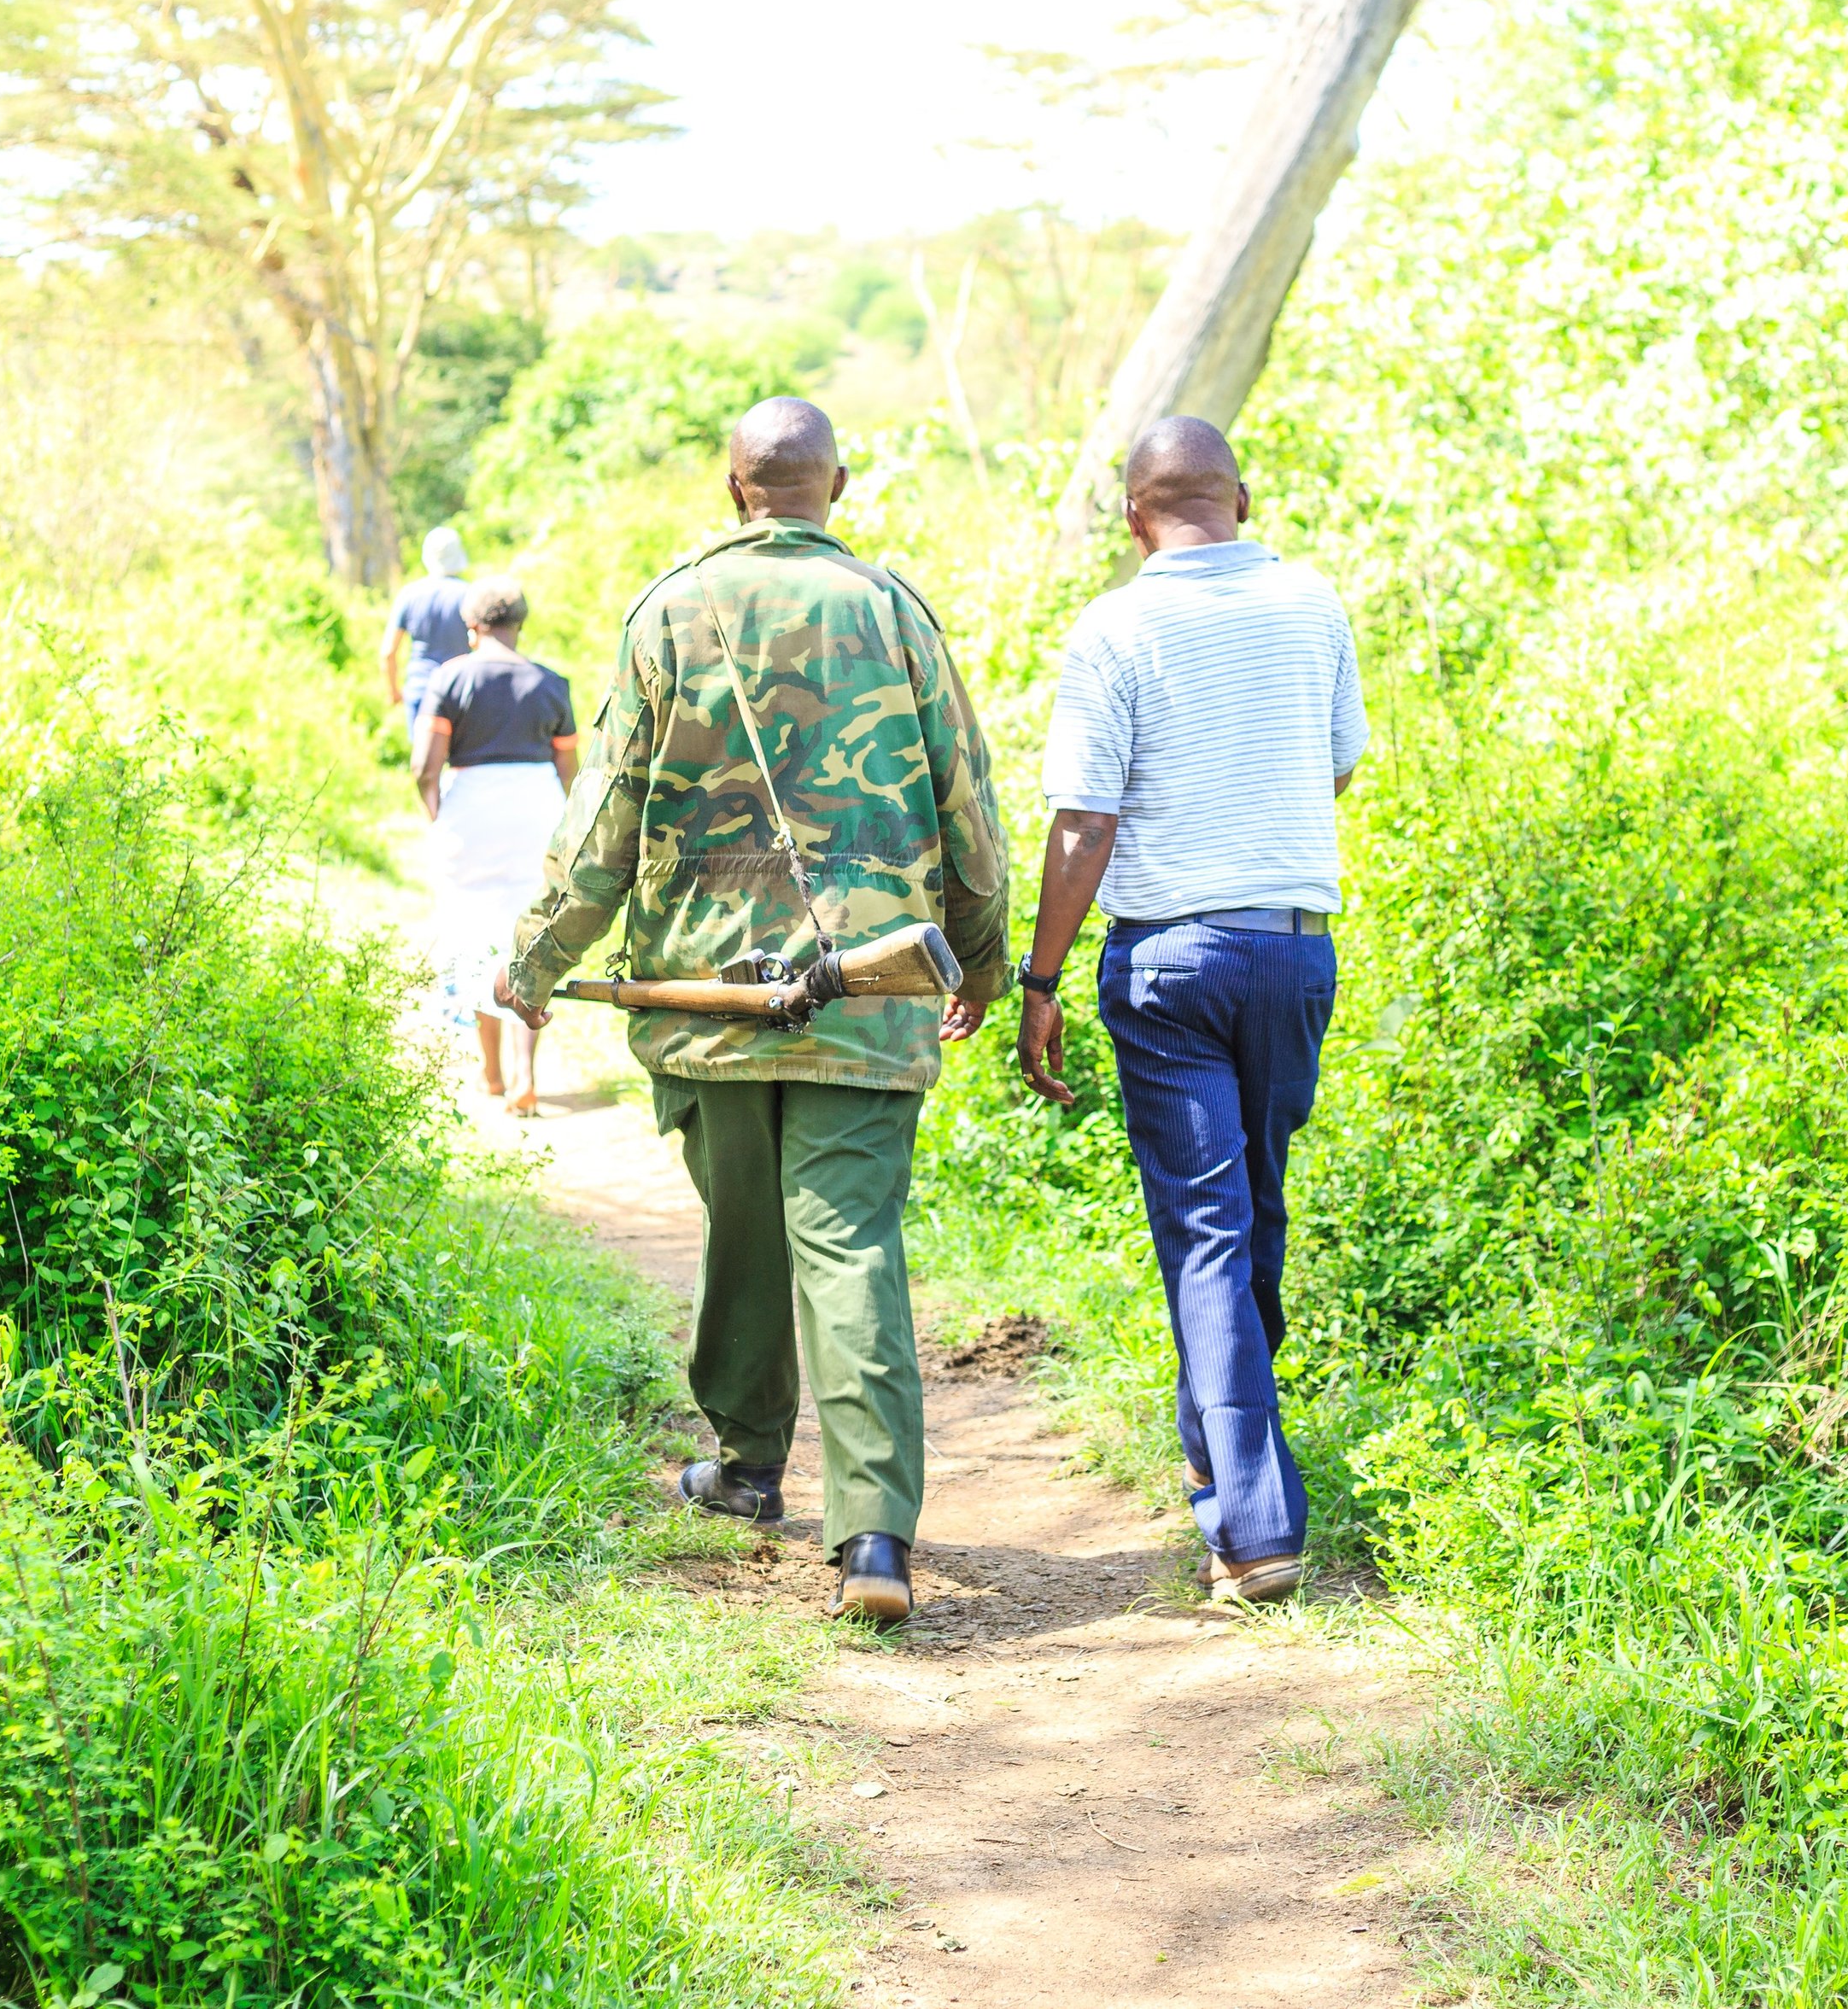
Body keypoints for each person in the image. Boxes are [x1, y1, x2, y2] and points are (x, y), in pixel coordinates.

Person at [493, 397, 1009, 1625]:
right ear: (842, 482)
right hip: (873, 990)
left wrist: (534, 960)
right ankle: (875, 1536)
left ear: (734, 489)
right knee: (850, 1243)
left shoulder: (672, 608)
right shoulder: (895, 612)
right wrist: (981, 964)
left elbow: (606, 814)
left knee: (744, 1231)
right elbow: (965, 804)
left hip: (707, 991)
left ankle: (747, 1463)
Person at [1015, 416, 1368, 1607]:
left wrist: (1040, 978)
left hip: (1167, 963)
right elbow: (1336, 763)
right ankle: (1224, 1468)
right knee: (1252, 1215)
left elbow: (1082, 819)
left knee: (1210, 1233)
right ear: (1244, 499)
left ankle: (1254, 1527)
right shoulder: (1312, 602)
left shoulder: (1115, 625)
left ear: (1133, 515)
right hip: (1289, 952)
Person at [416, 579, 577, 1115]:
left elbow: (425, 769)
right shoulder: (552, 683)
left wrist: (441, 817)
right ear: (520, 626)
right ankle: (525, 1074)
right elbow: (568, 771)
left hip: (473, 812)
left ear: (472, 627)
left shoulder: (450, 678)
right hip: (537, 810)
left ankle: (490, 1073)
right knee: (528, 940)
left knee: (474, 935)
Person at [385, 526, 476, 746]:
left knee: (424, 764)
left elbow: (388, 652)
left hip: (420, 689)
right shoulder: (470, 595)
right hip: (460, 691)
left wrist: (394, 692)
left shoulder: (409, 595)